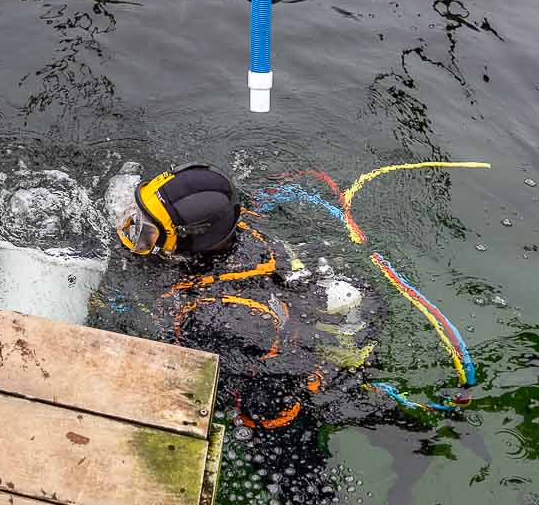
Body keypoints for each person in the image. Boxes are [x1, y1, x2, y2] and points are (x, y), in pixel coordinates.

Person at [115, 166, 376, 427]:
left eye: (148, 231)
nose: (131, 230)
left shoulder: (215, 316)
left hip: (291, 401)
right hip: (294, 311)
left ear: (188, 240)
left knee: (258, 413)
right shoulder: (238, 225)